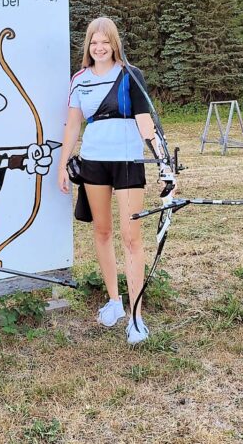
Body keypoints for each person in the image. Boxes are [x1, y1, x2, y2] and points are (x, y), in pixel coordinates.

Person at [58, 17, 170, 344]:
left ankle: (136, 316)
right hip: (93, 162)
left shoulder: (130, 75)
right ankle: (114, 301)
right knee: (102, 231)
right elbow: (73, 125)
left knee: (131, 236)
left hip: (128, 162)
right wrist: (63, 164)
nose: (99, 47)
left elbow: (145, 122)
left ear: (115, 43)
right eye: (94, 42)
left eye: (105, 41)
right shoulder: (79, 79)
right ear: (88, 46)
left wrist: (163, 162)